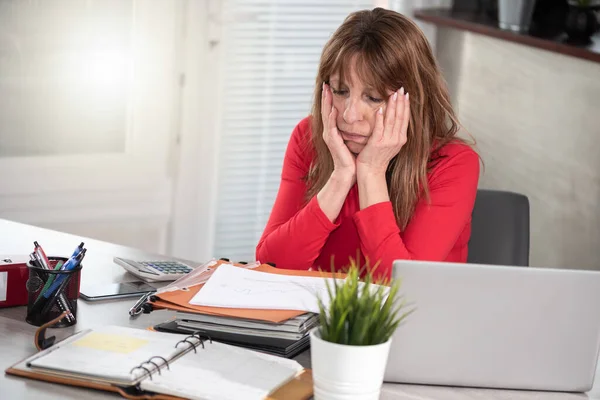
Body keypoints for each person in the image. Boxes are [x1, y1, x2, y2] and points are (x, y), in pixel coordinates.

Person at [255, 7, 480, 281]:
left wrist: (371, 172)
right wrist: (340, 177)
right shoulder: (308, 138)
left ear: (414, 98)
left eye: (373, 98)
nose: (350, 116)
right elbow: (272, 265)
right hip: (333, 317)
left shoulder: (454, 163)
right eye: (341, 91)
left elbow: (401, 286)